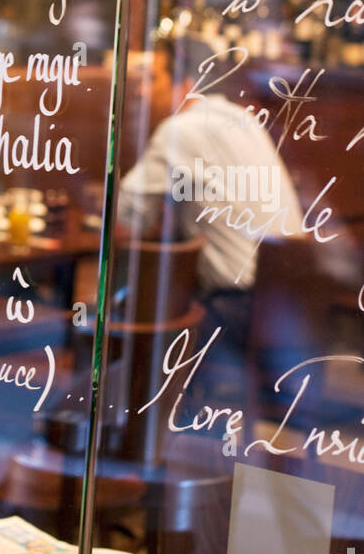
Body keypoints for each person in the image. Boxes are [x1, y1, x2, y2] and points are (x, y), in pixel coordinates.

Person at [116, 34, 304, 364]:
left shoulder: (181, 130)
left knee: (133, 320)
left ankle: (135, 406)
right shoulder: (242, 119)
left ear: (185, 83)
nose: (142, 91)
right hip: (287, 305)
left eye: (153, 78)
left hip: (234, 308)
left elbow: (123, 218)